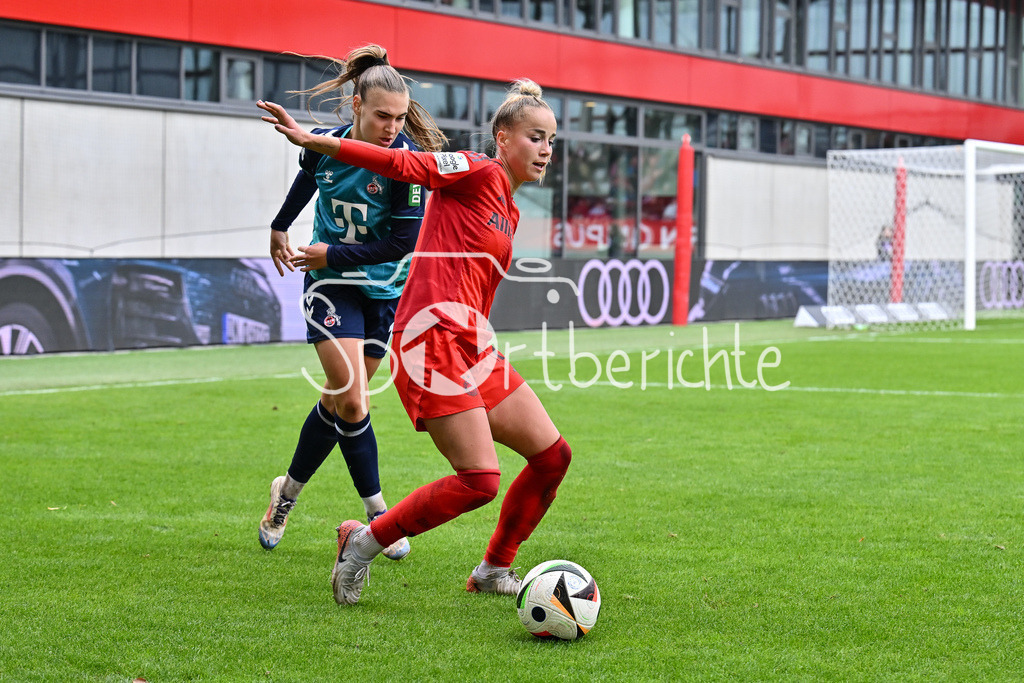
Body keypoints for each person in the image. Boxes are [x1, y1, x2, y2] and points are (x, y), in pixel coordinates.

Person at [258, 78, 572, 605]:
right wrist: (320, 143)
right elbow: (406, 165)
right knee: (480, 480)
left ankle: (494, 569)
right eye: (535, 137)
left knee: (553, 457)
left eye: (551, 141)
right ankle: (362, 542)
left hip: (470, 344)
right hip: (429, 341)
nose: (545, 150)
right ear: (502, 138)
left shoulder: (510, 208)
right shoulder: (478, 170)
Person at [257, 44, 447, 563]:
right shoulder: (326, 145)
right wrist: (280, 226)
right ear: (357, 105)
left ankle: (285, 495)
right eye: (382, 116)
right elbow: (309, 177)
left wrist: (330, 252)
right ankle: (380, 516)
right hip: (329, 286)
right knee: (355, 400)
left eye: (400, 117)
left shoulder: (405, 165)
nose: (392, 127)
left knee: (337, 402)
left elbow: (401, 243)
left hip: (382, 290)